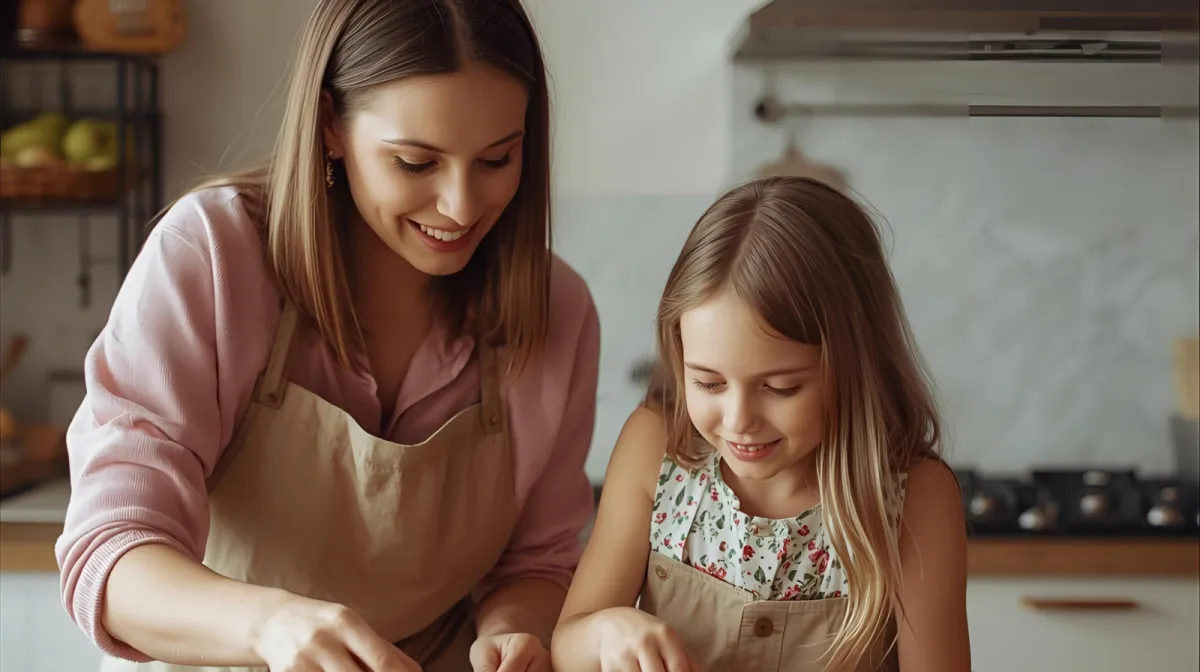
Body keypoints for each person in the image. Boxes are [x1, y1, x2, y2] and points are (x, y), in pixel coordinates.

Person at [54, 1, 600, 671]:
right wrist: (270, 625)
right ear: (329, 125)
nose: (461, 205)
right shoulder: (213, 254)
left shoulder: (557, 310)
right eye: (415, 163)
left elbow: (536, 562)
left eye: (495, 159)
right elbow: (112, 553)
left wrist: (514, 634)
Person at [550, 177, 971, 672]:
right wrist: (606, 631)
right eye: (708, 383)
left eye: (780, 388)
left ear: (856, 367)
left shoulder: (914, 497)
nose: (739, 421)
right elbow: (567, 644)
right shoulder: (655, 447)